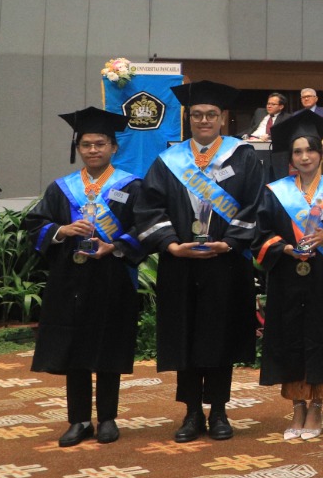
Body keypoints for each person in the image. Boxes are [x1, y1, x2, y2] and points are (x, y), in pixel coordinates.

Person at [134, 80, 265, 443]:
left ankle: (220, 411)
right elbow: (149, 207)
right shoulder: (169, 161)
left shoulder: (243, 156)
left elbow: (256, 205)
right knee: (186, 335)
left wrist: (231, 242)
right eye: (197, 115)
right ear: (188, 119)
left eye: (210, 114)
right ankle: (192, 412)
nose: (204, 120)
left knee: (221, 336)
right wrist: (171, 245)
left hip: (226, 264)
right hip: (182, 264)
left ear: (222, 118)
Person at [28, 108, 145, 447]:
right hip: (71, 280)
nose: (93, 150)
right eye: (87, 144)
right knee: (75, 348)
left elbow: (145, 227)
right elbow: (35, 225)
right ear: (78, 148)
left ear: (113, 147)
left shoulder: (130, 186)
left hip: (114, 277)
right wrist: (61, 229)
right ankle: (79, 420)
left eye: (100, 144)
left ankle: (107, 418)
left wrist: (115, 245)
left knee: (109, 345)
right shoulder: (61, 189)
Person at [254, 110, 323, 441]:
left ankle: (318, 407)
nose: (304, 156)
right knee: (291, 337)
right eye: (297, 152)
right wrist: (282, 248)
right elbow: (260, 234)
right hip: (288, 278)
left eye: (310, 150)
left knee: (322, 336)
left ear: (322, 154)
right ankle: (298, 405)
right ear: (291, 157)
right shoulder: (275, 191)